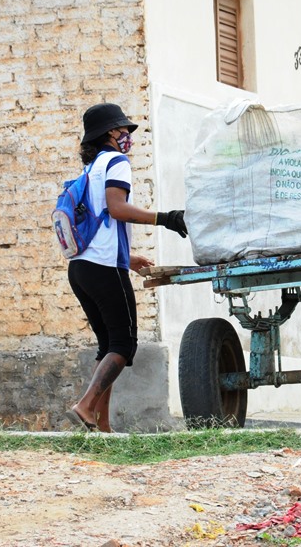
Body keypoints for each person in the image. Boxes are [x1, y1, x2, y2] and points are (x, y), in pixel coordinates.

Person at [65, 103, 188, 433]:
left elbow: (98, 221)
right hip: (103, 269)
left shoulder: (90, 170)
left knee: (107, 347)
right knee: (123, 345)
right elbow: (117, 209)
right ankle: (86, 406)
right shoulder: (116, 162)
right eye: (123, 132)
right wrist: (166, 219)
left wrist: (128, 259)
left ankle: (101, 427)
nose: (128, 137)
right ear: (110, 134)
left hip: (81, 268)